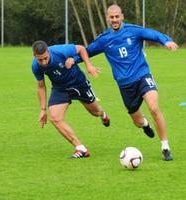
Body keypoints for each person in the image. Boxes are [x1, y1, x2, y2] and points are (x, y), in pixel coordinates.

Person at [71, 4, 178, 161]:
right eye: (111, 17)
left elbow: (152, 34)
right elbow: (87, 52)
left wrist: (166, 41)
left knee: (154, 108)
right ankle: (145, 124)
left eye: (117, 17)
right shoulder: (104, 40)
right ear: (108, 18)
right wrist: (72, 60)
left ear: (122, 16)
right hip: (125, 85)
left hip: (142, 75)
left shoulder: (133, 31)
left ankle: (165, 147)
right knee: (137, 121)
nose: (114, 20)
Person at [31, 40, 110, 158]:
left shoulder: (60, 51)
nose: (43, 62)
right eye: (40, 60)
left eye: (45, 58)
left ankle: (103, 115)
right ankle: (81, 148)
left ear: (48, 52)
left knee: (95, 112)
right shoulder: (35, 66)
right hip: (60, 88)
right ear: (35, 56)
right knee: (55, 118)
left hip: (79, 84)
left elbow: (81, 49)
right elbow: (41, 86)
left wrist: (88, 65)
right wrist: (43, 110)